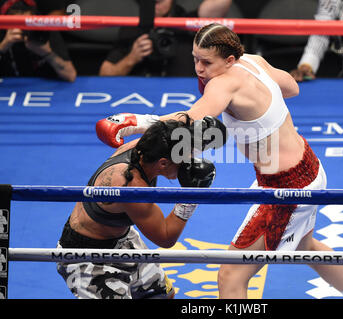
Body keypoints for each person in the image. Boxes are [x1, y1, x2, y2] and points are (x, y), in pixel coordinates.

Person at [95, 23, 343, 299]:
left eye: (206, 62)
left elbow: (188, 122)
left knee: (231, 275)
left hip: (288, 189)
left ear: (229, 60)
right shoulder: (253, 61)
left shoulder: (223, 83)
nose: (199, 68)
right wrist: (260, 102)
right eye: (195, 59)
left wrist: (134, 122)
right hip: (308, 167)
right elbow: (292, 87)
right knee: (305, 245)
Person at [56, 114, 224, 299]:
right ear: (163, 163)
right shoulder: (132, 187)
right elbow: (166, 237)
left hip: (122, 239)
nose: (187, 164)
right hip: (89, 258)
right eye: (183, 159)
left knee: (162, 296)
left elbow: (168, 130)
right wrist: (191, 196)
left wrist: (196, 134)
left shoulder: (146, 147)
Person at [99, 0, 232, 77]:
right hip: (142, 93)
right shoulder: (132, 29)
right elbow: (104, 74)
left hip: (184, 93)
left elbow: (220, 4)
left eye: (160, 1)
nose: (156, 4)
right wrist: (132, 58)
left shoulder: (188, 23)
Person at [0, 0, 77, 82]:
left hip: (43, 87)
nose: (23, 29)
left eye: (26, 23)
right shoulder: (2, 34)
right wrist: (3, 45)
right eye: (17, 23)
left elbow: (70, 75)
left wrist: (47, 53)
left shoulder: (44, 32)